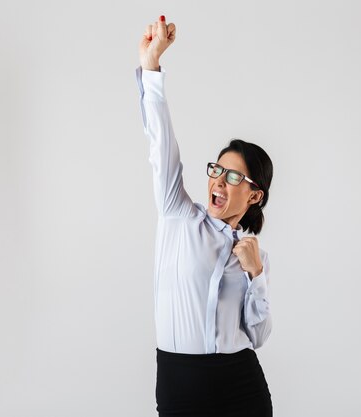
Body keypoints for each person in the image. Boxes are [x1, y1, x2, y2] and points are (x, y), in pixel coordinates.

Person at [136, 15, 274, 417]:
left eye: (233, 175)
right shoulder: (178, 214)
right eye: (216, 169)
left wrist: (257, 275)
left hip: (241, 385)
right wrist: (152, 66)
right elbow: (160, 143)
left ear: (254, 194)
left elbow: (259, 334)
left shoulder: (253, 255)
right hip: (181, 383)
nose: (219, 180)